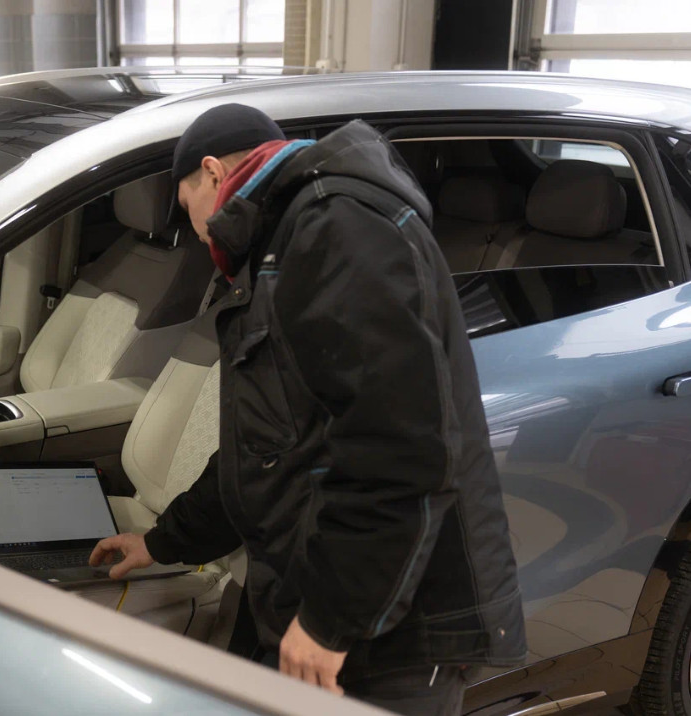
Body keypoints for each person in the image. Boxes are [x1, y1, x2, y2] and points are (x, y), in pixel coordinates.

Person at [90, 104, 526, 715]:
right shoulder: (286, 244)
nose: (195, 233)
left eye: (186, 205)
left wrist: (330, 621)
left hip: (392, 632)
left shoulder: (336, 230)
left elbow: (400, 452)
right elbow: (265, 450)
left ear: (213, 173)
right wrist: (163, 543)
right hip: (339, 602)